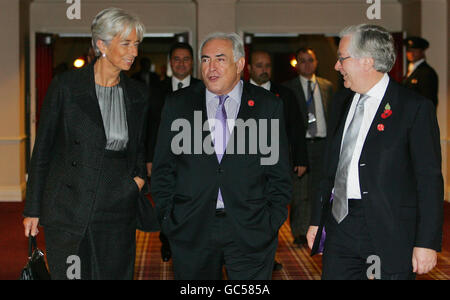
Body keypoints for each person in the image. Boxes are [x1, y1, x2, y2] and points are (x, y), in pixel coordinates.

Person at [22, 7, 156, 280]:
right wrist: (33, 208)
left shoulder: (137, 94)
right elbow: (43, 149)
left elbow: (138, 148)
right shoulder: (66, 86)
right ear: (101, 45)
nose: (134, 51)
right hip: (70, 205)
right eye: (126, 43)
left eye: (137, 44)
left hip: (117, 201)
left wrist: (137, 181)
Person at [307, 24, 443, 280]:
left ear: (367, 61)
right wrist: (317, 219)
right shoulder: (341, 101)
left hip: (389, 229)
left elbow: (429, 180)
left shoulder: (413, 108)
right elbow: (329, 169)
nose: (337, 66)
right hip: (340, 225)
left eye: (342, 58)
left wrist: (426, 242)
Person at [151, 32, 292, 280]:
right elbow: (163, 168)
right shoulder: (178, 104)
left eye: (219, 59)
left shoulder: (267, 105)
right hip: (191, 228)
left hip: (251, 228)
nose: (210, 67)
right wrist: (169, 217)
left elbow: (278, 172)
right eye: (205, 60)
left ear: (239, 64)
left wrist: (270, 221)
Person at [247, 50, 307, 270]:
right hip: (245, 168)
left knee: (271, 215)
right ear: (250, 68)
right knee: (248, 215)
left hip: (275, 167)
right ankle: (244, 257)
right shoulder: (238, 93)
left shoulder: (284, 95)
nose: (264, 70)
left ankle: (266, 259)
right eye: (259, 65)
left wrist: (300, 158)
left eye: (268, 66)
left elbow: (296, 129)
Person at [284, 48, 334, 245]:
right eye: (302, 61)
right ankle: (299, 232)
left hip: (323, 144)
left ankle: (320, 229)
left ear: (316, 62)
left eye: (310, 60)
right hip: (301, 144)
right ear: (297, 64)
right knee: (300, 191)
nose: (307, 64)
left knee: (321, 189)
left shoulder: (328, 86)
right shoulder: (288, 88)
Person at [403, 36, 439, 107]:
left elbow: (428, 100)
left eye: (415, 50)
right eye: (409, 50)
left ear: (422, 52)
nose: (411, 53)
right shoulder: (410, 70)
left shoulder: (426, 72)